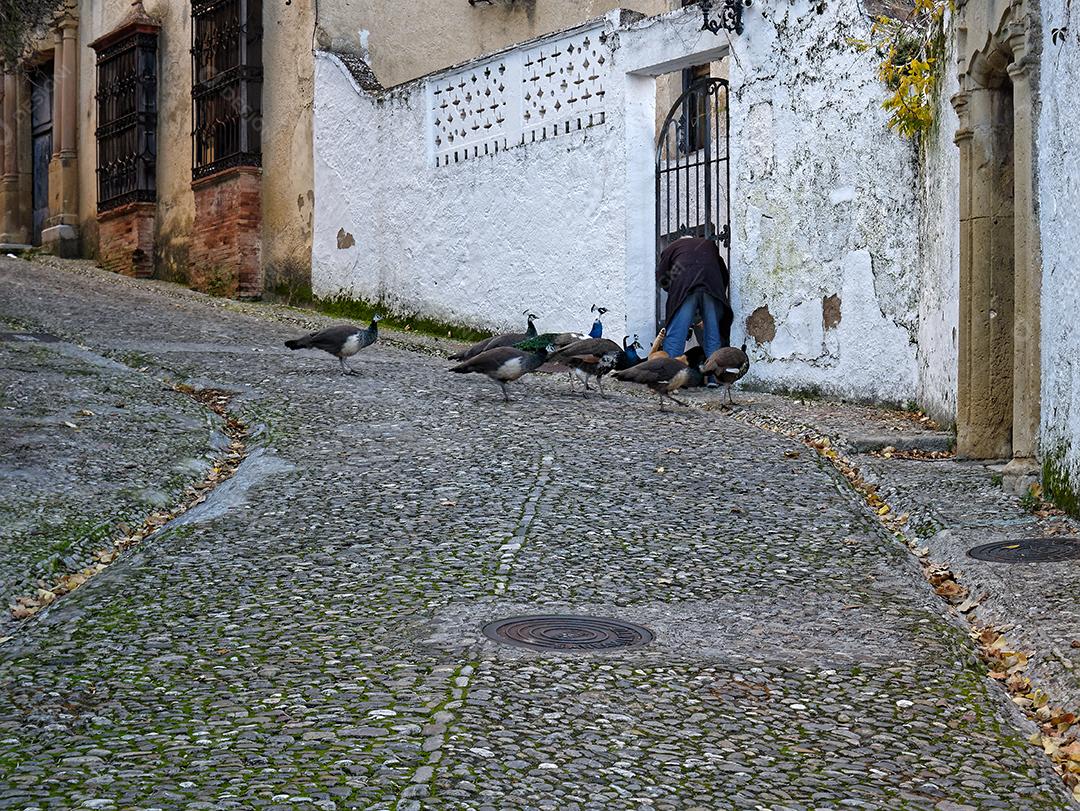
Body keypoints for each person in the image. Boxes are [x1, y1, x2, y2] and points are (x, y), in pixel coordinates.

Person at [654, 235, 733, 385]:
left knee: (676, 333)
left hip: (685, 288)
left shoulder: (672, 248)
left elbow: (662, 278)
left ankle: (671, 377)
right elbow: (723, 273)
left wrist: (674, 291)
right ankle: (714, 378)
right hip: (711, 287)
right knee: (713, 334)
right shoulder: (709, 245)